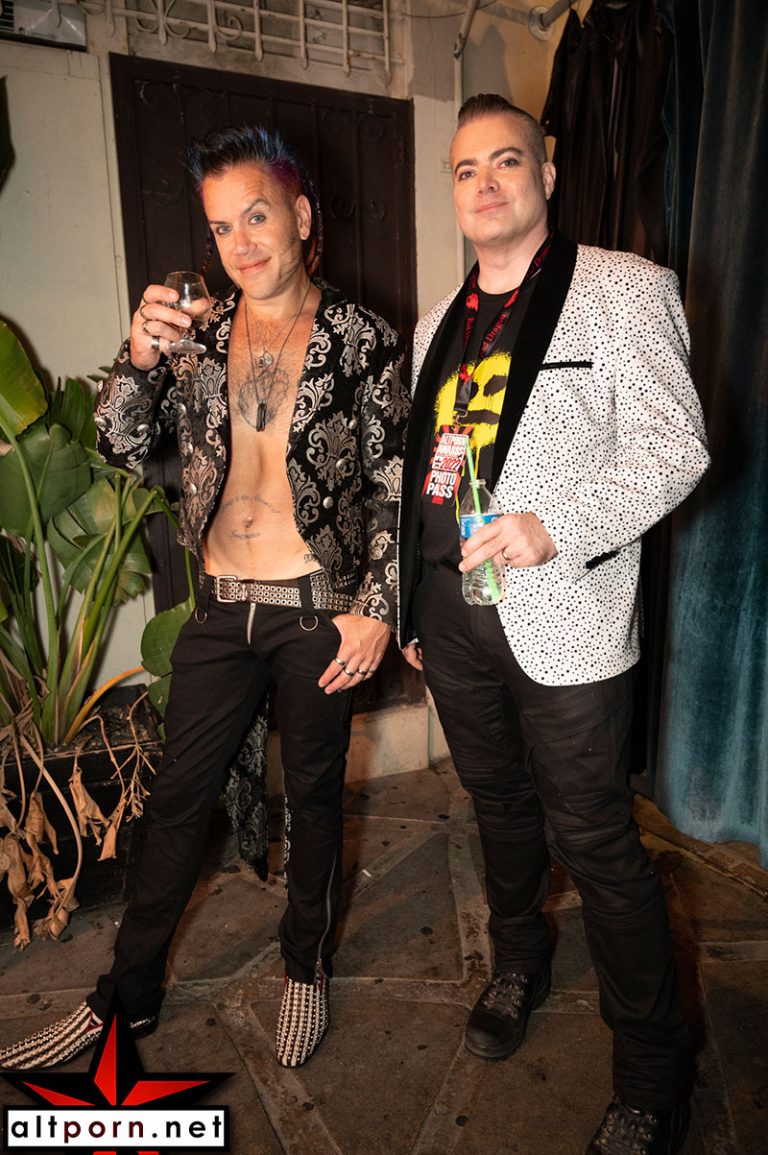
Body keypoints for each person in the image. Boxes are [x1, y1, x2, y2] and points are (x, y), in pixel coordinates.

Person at [0, 125, 408, 1072]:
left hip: (317, 608)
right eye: (222, 227)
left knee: (315, 799)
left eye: (256, 216)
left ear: (300, 214)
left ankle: (304, 967)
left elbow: (391, 482)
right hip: (222, 607)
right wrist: (138, 357)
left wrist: (379, 605)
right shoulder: (198, 337)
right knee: (176, 801)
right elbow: (118, 445)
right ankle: (125, 997)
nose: (240, 243)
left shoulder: (364, 338)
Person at [398, 94, 709, 1155]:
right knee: (496, 807)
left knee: (597, 841)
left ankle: (653, 1075)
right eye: (465, 169)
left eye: (506, 162)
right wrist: (410, 601)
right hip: (453, 613)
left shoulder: (626, 288)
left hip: (566, 614)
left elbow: (676, 448)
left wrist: (554, 526)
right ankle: (519, 962)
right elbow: (423, 472)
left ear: (548, 173)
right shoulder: (435, 323)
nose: (485, 183)